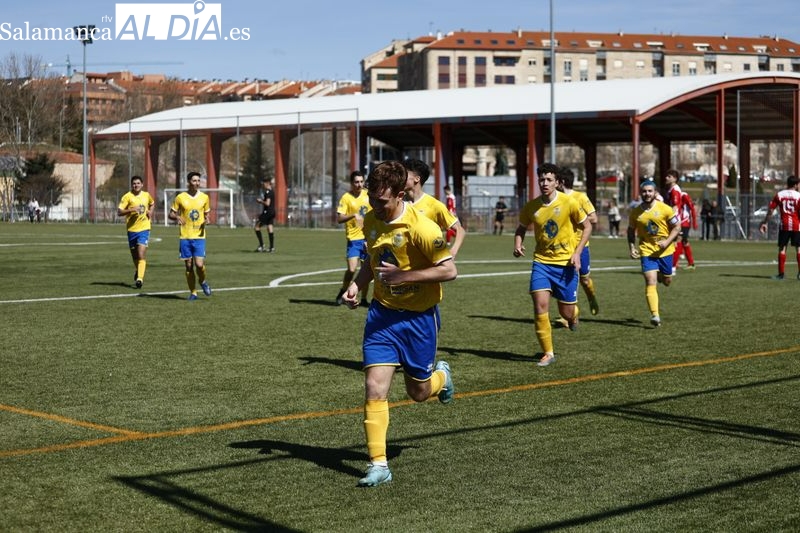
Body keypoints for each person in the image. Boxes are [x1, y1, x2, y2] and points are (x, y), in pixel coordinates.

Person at [342, 160, 456, 488]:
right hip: (382, 315)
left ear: (400, 194)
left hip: (420, 318)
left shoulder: (422, 227)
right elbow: (371, 261)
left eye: (382, 200)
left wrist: (406, 275)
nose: (374, 206)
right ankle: (379, 464)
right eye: (371, 198)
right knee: (374, 387)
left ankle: (441, 376)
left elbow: (449, 270)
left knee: (418, 392)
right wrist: (358, 285)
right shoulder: (372, 222)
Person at [513, 162, 592, 367]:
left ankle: (573, 317)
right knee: (540, 306)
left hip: (566, 264)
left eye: (549, 180)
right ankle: (548, 353)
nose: (545, 183)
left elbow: (587, 226)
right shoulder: (532, 206)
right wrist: (518, 243)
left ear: (557, 182)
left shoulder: (570, 202)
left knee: (566, 312)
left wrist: (577, 253)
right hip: (542, 263)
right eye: (542, 179)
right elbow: (521, 228)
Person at [627, 180, 681, 327]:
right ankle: (655, 315)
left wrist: (667, 241)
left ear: (655, 192)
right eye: (644, 191)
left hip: (665, 251)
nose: (647, 194)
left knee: (667, 281)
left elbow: (677, 226)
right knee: (650, 281)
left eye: (650, 191)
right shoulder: (636, 212)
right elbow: (631, 230)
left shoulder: (666, 209)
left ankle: (662, 276)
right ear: (640, 193)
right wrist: (632, 247)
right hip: (647, 251)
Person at [557, 166, 600, 315]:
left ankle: (591, 296)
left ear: (561, 182)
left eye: (555, 180)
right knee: (566, 281)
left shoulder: (580, 197)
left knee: (585, 280)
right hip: (562, 247)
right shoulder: (556, 198)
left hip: (580, 246)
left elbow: (594, 218)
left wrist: (577, 218)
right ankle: (569, 315)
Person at [403, 158, 465, 257]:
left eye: (404, 174)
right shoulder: (396, 203)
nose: (399, 178)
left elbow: (460, 229)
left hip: (427, 264)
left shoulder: (434, 205)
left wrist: (453, 251)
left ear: (417, 179)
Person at [168, 171, 212, 301]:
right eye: (194, 181)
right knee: (188, 265)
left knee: (199, 264)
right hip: (185, 236)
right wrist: (176, 217)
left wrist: (207, 219)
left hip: (199, 235)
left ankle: (203, 282)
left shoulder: (204, 197)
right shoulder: (180, 197)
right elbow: (171, 214)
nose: (197, 183)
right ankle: (193, 292)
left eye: (198, 180)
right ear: (189, 182)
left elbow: (207, 215)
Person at [335, 170, 371, 306]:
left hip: (367, 239)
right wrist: (353, 215)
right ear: (351, 183)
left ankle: (363, 299)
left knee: (366, 270)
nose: (359, 184)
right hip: (353, 239)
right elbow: (339, 219)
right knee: (351, 269)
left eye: (361, 181)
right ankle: (343, 290)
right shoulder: (346, 198)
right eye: (356, 182)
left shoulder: (368, 195)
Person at [759, 175, 800, 280]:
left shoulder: (780, 195)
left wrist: (765, 222)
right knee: (799, 249)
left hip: (784, 226)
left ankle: (781, 274)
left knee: (782, 249)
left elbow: (771, 210)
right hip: (796, 226)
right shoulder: (798, 196)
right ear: (795, 185)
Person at [117, 175, 155, 288]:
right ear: (131, 185)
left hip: (144, 229)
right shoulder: (127, 197)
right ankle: (138, 269)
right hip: (131, 230)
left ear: (142, 184)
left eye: (138, 183)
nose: (136, 185)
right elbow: (119, 212)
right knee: (135, 256)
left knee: (141, 254)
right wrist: (131, 210)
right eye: (134, 183)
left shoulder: (146, 195)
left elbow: (152, 203)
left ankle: (140, 279)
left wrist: (150, 212)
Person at [673, 191, 698, 271]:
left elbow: (692, 207)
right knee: (684, 241)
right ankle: (691, 263)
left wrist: (694, 221)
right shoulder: (673, 195)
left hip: (684, 223)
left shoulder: (683, 195)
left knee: (678, 239)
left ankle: (675, 264)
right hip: (679, 222)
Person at [254, 178, 275, 253]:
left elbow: (267, 203)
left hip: (267, 212)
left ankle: (262, 245)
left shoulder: (268, 192)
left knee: (256, 227)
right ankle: (272, 248)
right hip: (272, 212)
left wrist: (260, 201)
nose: (263, 185)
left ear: (267, 183)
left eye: (264, 183)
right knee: (270, 228)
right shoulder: (272, 191)